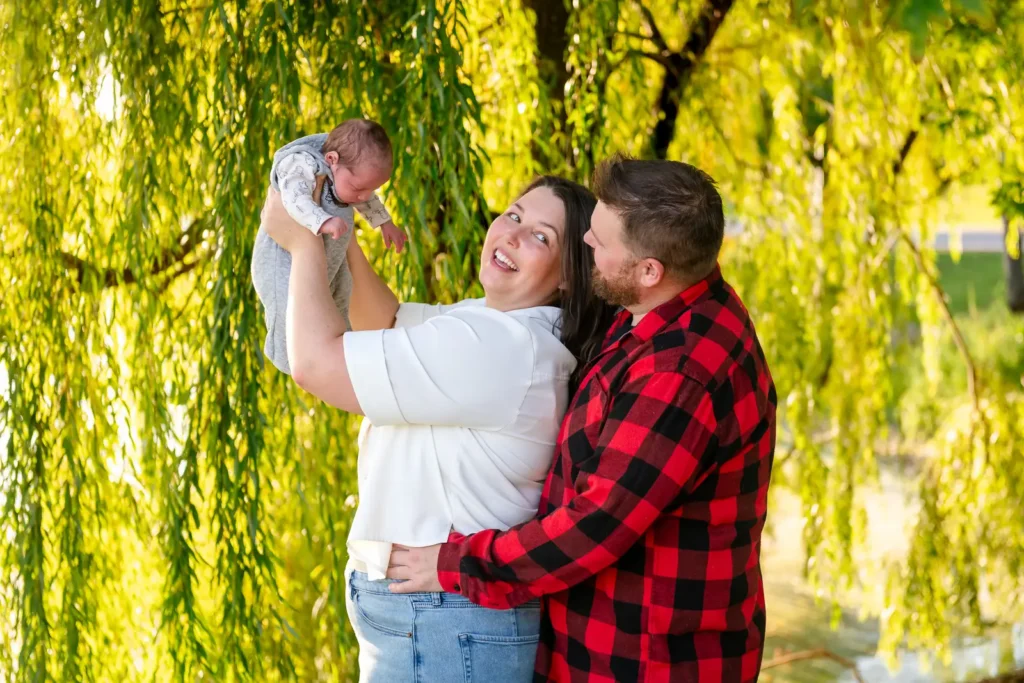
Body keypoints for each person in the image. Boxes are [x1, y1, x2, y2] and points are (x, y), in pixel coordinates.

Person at [387, 156, 778, 683]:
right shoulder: (665, 307)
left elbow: (595, 525)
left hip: (646, 661)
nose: (586, 244)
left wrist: (454, 564)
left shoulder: (679, 376)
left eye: (600, 241)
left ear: (649, 270)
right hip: (605, 643)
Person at [260, 174, 616, 683]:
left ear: (567, 276)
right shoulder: (494, 324)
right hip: (437, 616)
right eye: (513, 215)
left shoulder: (502, 348)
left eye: (542, 236)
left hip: (442, 619)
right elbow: (386, 320)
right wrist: (339, 231)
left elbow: (316, 364)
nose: (513, 234)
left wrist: (301, 244)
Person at [251, 118, 407, 375]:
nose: (363, 197)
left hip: (328, 260)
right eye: (359, 188)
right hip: (283, 260)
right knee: (288, 307)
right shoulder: (302, 164)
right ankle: (288, 355)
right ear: (332, 160)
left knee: (340, 296)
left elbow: (367, 198)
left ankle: (338, 346)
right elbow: (293, 197)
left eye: (372, 190)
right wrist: (322, 221)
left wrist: (385, 223)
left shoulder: (350, 174)